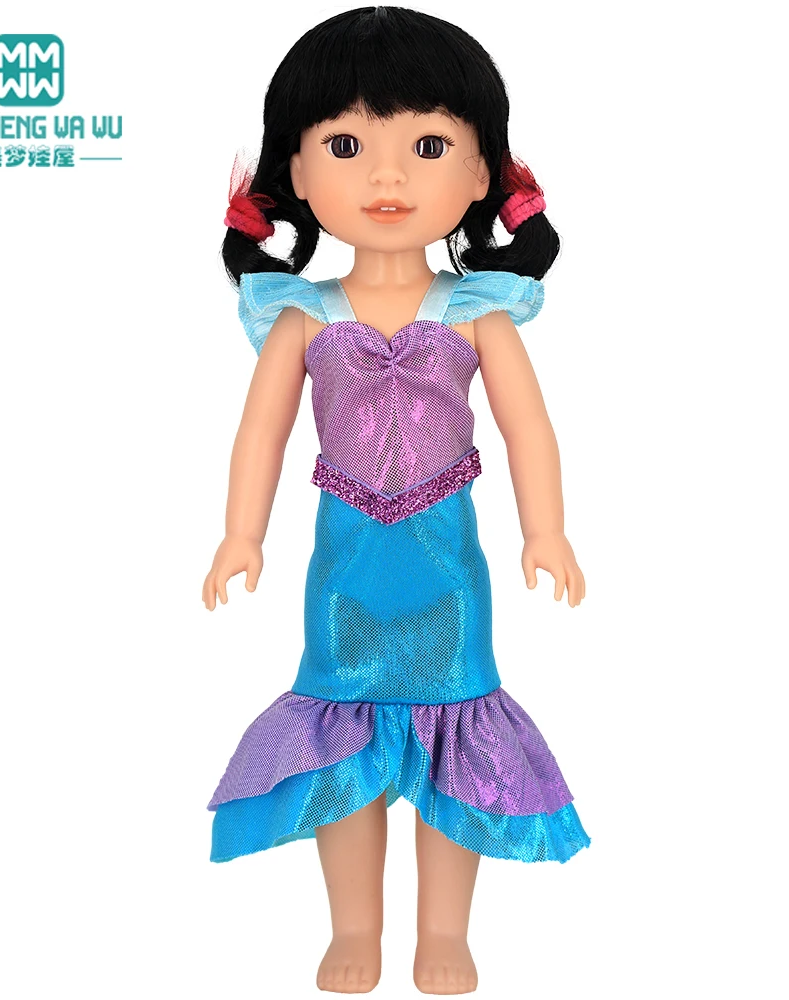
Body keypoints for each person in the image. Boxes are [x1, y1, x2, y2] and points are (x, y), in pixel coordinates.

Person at [202, 7, 590, 994]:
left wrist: (546, 529)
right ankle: (356, 927)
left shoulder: (477, 310)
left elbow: (528, 429)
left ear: (480, 173)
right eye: (346, 146)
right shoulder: (301, 315)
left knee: (455, 724)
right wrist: (240, 533)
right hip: (345, 570)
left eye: (427, 147)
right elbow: (261, 434)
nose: (386, 178)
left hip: (444, 565)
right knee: (343, 729)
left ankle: (445, 932)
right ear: (295, 171)